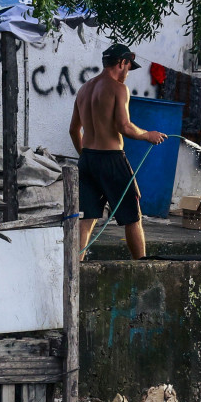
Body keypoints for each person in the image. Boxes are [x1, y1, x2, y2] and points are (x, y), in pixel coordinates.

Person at [70, 42, 166, 259]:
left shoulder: (84, 89)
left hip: (88, 160)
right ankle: (141, 267)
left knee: (87, 218)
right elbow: (124, 126)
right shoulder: (118, 89)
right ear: (122, 62)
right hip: (111, 159)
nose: (128, 74)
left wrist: (84, 155)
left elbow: (74, 130)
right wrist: (146, 135)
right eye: (129, 68)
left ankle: (75, 270)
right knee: (133, 216)